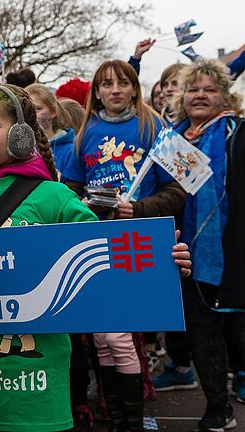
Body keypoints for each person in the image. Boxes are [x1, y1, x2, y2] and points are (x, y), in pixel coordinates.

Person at [0, 83, 192, 432]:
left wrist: (164, 262)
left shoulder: (54, 197)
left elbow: (107, 260)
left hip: (41, 385)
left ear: (20, 134)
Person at [62, 60, 186, 431]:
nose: (114, 90)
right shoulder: (86, 133)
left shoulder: (155, 127)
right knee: (101, 336)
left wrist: (139, 208)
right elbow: (70, 189)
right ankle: (113, 417)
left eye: (122, 83)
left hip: (137, 242)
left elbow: (179, 191)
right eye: (106, 84)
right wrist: (81, 206)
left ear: (134, 87)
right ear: (96, 92)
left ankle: (132, 421)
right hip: (96, 242)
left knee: (119, 334)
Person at [169, 58, 245, 432]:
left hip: (229, 252)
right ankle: (218, 406)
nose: (200, 95)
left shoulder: (237, 133)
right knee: (202, 331)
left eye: (209, 89)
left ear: (224, 95)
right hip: (180, 252)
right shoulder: (169, 140)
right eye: (193, 89)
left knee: (236, 332)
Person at [26, 83, 73, 178]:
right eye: (25, 109)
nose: (29, 114)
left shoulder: (70, 151)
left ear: (53, 112)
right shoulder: (18, 150)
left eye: (36, 109)